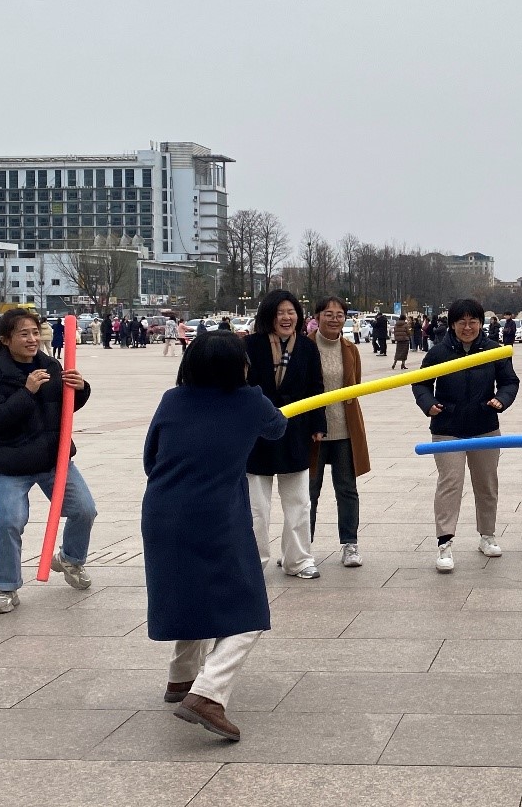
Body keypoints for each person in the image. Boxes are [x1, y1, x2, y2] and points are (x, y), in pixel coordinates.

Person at [141, 329, 286, 741]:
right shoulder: (250, 401)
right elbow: (277, 429)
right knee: (247, 610)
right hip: (215, 515)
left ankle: (181, 678)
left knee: (190, 592)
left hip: (161, 511)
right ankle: (208, 693)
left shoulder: (172, 399)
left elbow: (150, 457)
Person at [0, 308, 97, 614]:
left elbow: (64, 407)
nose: (32, 339)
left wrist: (81, 389)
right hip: (12, 462)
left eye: (34, 332)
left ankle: (70, 560)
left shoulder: (50, 364)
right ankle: (6, 587)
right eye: (24, 334)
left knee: (84, 509)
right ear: (6, 339)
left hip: (53, 458)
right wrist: (27, 391)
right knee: (8, 521)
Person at [412, 298, 519, 572]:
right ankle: (444, 543)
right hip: (448, 428)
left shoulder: (494, 351)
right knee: (450, 483)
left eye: (473, 322)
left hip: (485, 426)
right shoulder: (439, 352)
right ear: (452, 324)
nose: (468, 327)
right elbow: (420, 383)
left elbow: (509, 381)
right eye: (462, 322)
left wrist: (501, 400)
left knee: (487, 484)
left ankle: (487, 535)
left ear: (481, 323)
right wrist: (429, 404)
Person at [245, 289, 326, 579]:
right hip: (257, 435)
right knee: (257, 507)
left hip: (295, 432)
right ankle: (253, 563)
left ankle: (298, 560)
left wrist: (318, 424)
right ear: (268, 316)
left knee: (299, 503)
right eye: (280, 312)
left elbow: (317, 388)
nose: (286, 317)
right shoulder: (250, 346)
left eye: (291, 312)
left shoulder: (307, 347)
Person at [309, 297, 371, 567]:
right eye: (328, 314)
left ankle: (350, 543)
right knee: (309, 491)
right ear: (317, 316)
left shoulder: (350, 348)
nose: (334, 319)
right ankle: (301, 546)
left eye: (339, 314)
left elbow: (355, 384)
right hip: (313, 432)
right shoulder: (305, 347)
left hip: (345, 430)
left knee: (346, 489)